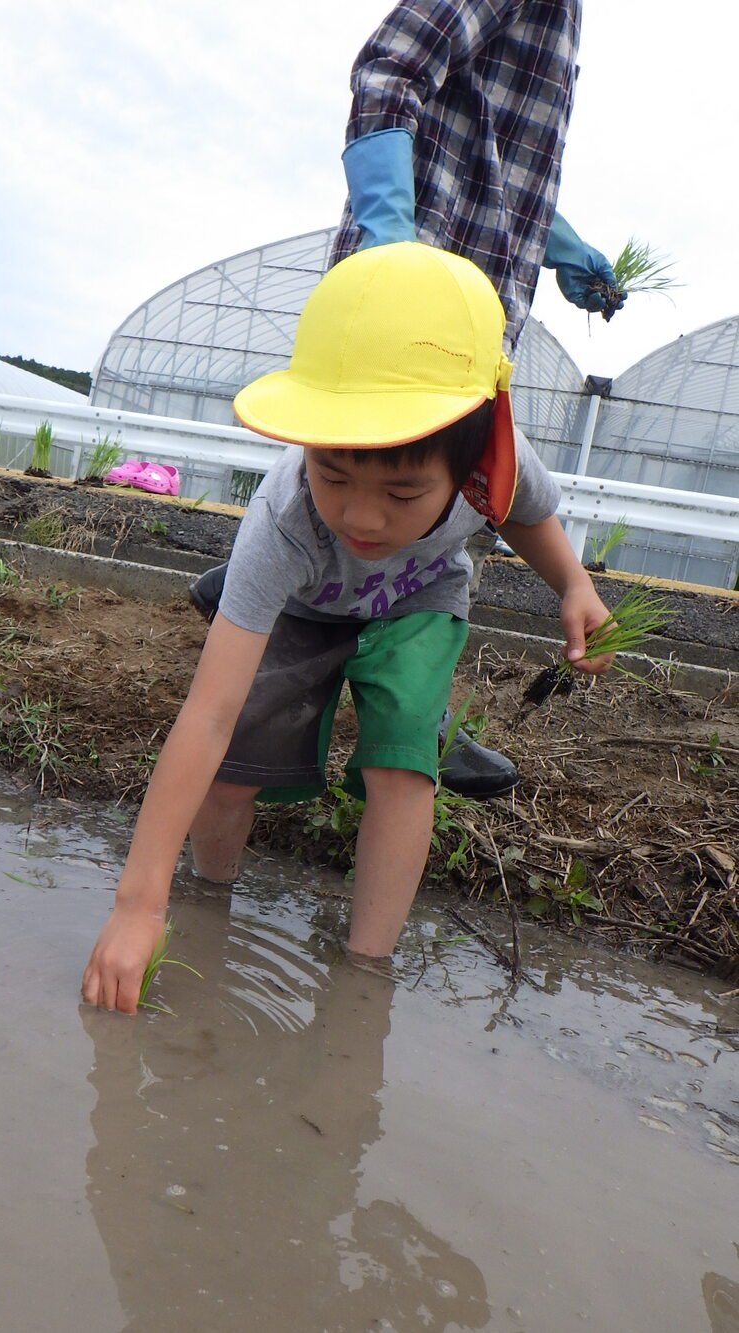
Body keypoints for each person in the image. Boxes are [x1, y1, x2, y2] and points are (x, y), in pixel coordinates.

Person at [82, 242, 615, 1014]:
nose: (363, 516)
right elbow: (208, 713)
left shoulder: (495, 458)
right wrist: (137, 904)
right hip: (304, 601)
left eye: (402, 493)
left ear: (470, 459)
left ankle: (366, 977)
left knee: (404, 763)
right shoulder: (285, 518)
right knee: (232, 762)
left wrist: (573, 582)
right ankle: (208, 905)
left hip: (419, 594)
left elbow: (527, 512)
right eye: (334, 475)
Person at [189, 0, 623, 798]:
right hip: (407, 309)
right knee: (371, 474)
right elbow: (389, 69)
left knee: (447, 487)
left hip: (478, 313)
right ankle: (272, 597)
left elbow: (497, 163)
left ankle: (411, 713)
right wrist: (392, 238)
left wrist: (563, 249)